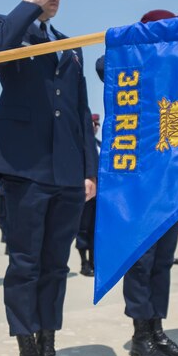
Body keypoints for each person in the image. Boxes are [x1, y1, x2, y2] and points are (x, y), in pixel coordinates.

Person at [0, 0, 98, 356]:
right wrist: (27, 7)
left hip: (66, 173)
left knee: (55, 266)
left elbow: (82, 111)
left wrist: (90, 170)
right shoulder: (6, 26)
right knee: (26, 265)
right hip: (25, 169)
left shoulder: (71, 45)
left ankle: (49, 352)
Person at [99, 9, 178, 356]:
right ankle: (141, 335)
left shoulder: (177, 75)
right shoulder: (132, 67)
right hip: (136, 186)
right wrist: (142, 46)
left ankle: (157, 329)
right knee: (140, 262)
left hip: (169, 184)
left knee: (162, 262)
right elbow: (101, 63)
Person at [74, 113, 101, 276]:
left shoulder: (99, 145)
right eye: (93, 123)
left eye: (97, 124)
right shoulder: (80, 145)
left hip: (99, 196)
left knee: (95, 230)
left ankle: (92, 261)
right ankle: (84, 262)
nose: (95, 126)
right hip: (85, 194)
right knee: (83, 229)